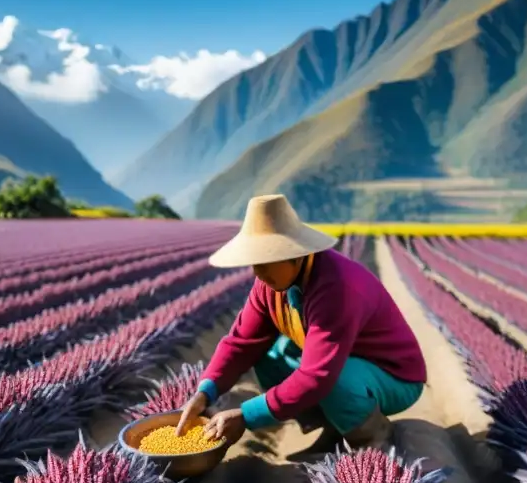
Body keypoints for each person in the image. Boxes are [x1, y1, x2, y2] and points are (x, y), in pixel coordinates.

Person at [175, 194, 427, 457]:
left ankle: (370, 436)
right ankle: (335, 428)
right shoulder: (269, 286)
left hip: (394, 377)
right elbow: (241, 343)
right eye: (255, 263)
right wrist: (205, 392)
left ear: (295, 254)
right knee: (272, 356)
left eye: (267, 262)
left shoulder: (336, 287)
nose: (259, 273)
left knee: (333, 377)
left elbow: (317, 375)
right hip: (345, 364)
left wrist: (246, 416)